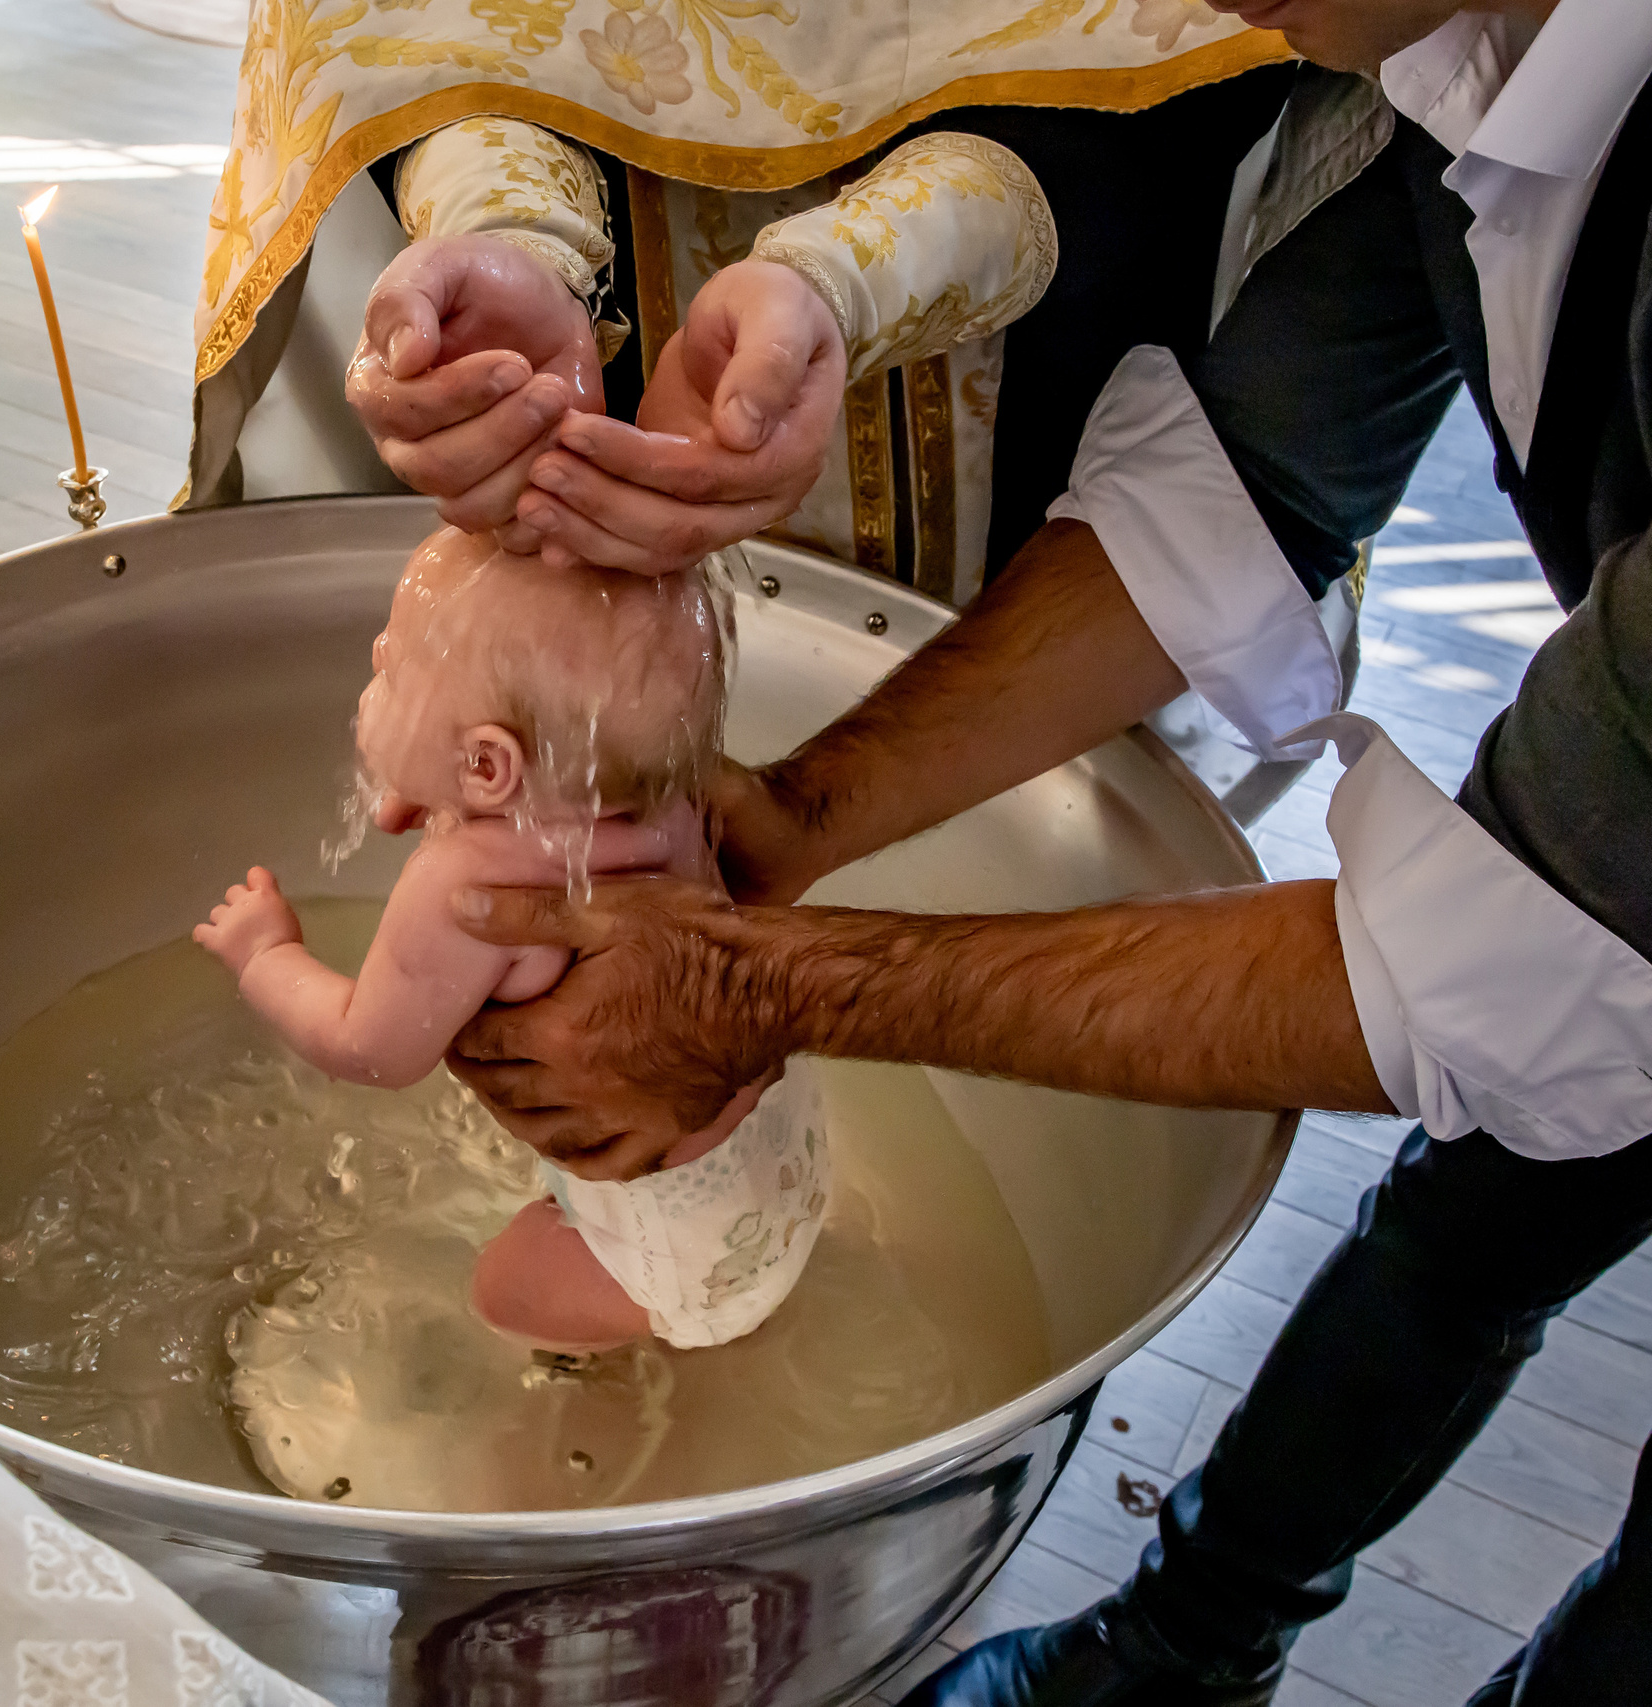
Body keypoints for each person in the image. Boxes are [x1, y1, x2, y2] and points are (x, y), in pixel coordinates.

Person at [438, 0, 1652, 1700]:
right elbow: (1251, 481)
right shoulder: (1474, 68)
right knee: (1480, 1222)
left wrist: (755, 981)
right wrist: (800, 815)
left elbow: (1536, 958)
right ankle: (1177, 1652)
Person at [186, 0, 1292, 606]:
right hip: (558, 425)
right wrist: (509, 229)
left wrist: (851, 276)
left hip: (1030, 403)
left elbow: (1168, 46)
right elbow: (421, 27)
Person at [192, 526, 828, 1351]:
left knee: (503, 1290)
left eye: (389, 670)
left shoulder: (463, 888)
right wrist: (440, 789)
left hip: (666, 1245)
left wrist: (266, 954)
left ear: (488, 768)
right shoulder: (663, 803)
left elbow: (371, 1049)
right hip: (777, 1155)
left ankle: (578, 1411)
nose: (376, 660)